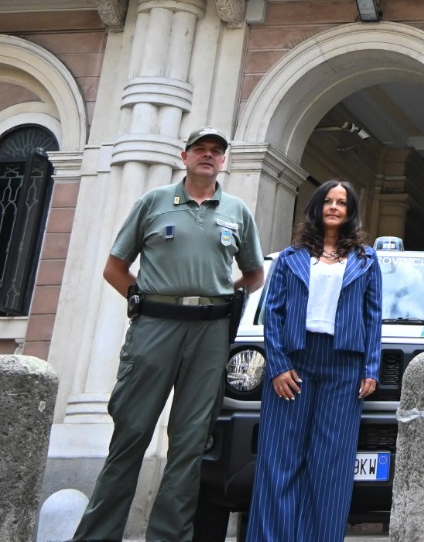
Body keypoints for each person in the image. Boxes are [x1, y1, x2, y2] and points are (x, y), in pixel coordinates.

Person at [73, 128, 264, 542]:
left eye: (216, 151)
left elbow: (253, 274)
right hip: (155, 328)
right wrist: (143, 301)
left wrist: (224, 297)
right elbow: (114, 268)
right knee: (132, 433)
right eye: (200, 149)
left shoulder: (236, 211)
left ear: (224, 160)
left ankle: (168, 537)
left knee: (190, 443)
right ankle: (96, 536)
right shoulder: (154, 203)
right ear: (185, 156)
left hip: (211, 333)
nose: (208, 156)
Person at [246, 180, 382, 542]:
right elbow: (272, 315)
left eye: (342, 203)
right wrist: (277, 365)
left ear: (350, 211)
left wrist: (371, 367)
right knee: (280, 460)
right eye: (328, 201)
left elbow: (373, 316)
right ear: (317, 207)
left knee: (330, 467)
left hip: (344, 368)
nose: (334, 207)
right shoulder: (290, 257)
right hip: (294, 363)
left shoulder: (366, 260)